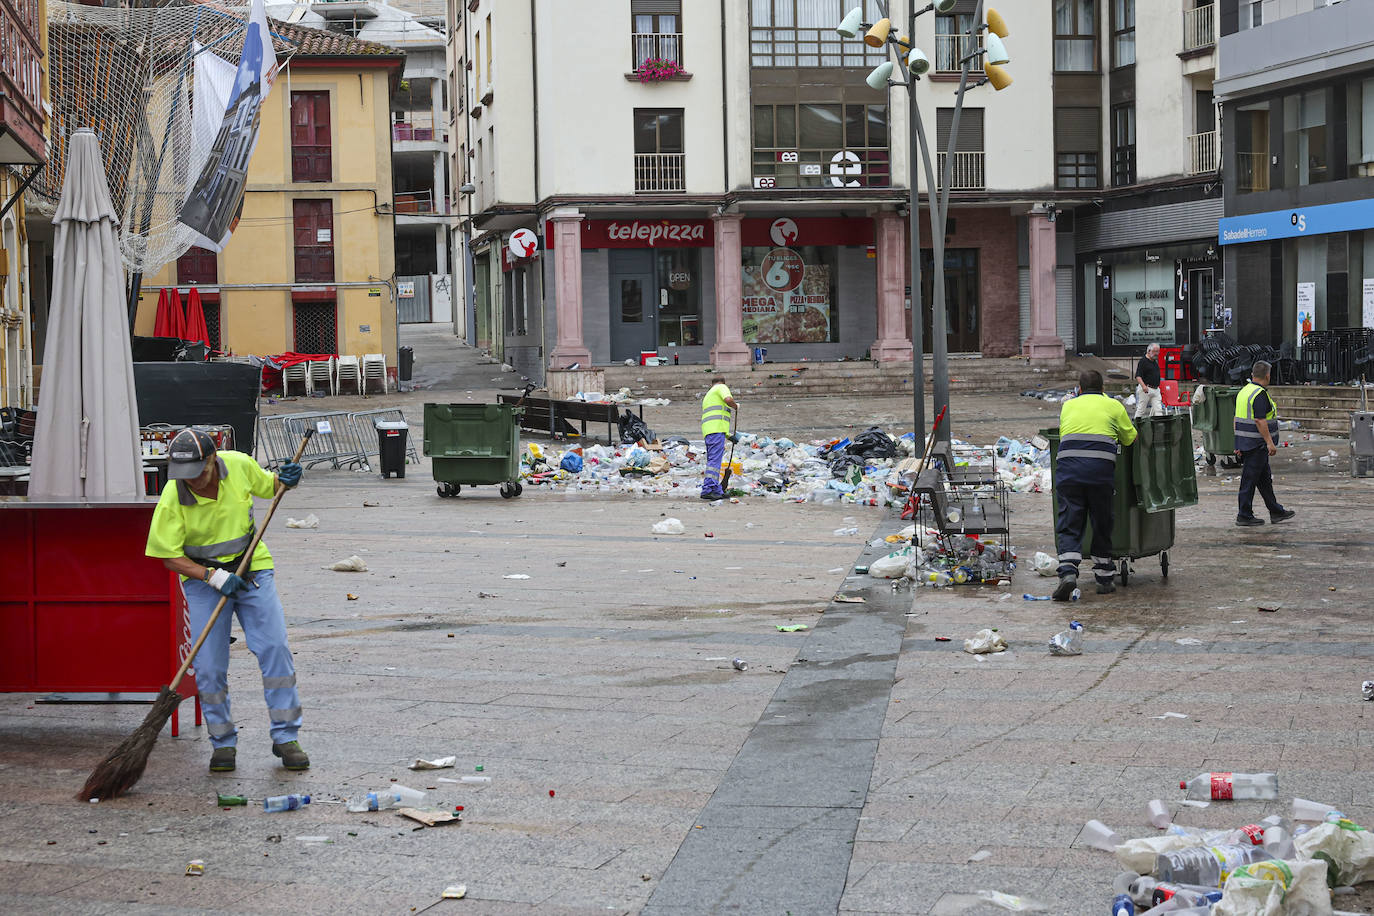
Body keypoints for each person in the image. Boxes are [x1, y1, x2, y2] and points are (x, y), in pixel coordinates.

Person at [145, 428, 310, 773]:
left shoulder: (238, 465)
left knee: (274, 648)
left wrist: (287, 479)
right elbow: (168, 557)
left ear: (212, 460)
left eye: (198, 473)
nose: (192, 482)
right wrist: (214, 577)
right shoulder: (173, 497)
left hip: (252, 568)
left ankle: (286, 737)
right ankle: (222, 742)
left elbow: (271, 487)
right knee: (208, 666)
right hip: (204, 581)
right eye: (184, 476)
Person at [1053, 370, 1138, 600]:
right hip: (1099, 474)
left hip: (1068, 472)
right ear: (1103, 389)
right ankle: (1104, 579)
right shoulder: (1113, 406)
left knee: (1070, 522)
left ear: (1079, 389)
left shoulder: (1068, 406)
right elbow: (1131, 438)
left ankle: (1068, 573)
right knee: (1101, 522)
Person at [1233, 360, 1296, 527]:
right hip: (1257, 444)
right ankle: (1244, 515)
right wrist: (1270, 443)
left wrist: (1237, 443)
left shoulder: (1244, 391)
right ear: (1267, 376)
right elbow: (1260, 421)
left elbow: (1236, 419)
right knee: (1249, 480)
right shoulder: (1259, 394)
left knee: (1264, 480)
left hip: (1247, 443)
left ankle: (1276, 511)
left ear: (1253, 374)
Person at [700, 376, 739, 500]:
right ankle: (708, 489)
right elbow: (728, 399)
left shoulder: (708, 395)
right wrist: (735, 406)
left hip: (711, 431)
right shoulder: (722, 387)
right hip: (716, 431)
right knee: (714, 462)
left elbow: (717, 416)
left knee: (713, 460)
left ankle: (717, 490)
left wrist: (728, 436)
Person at [1134, 343, 1164, 419]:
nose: (1156, 353)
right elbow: (1138, 376)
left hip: (1156, 389)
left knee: (1159, 410)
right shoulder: (1143, 361)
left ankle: (1159, 426)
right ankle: (1136, 425)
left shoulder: (1154, 361)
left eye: (1158, 351)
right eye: (1154, 351)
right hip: (1146, 388)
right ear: (1149, 351)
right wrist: (1143, 386)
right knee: (1141, 409)